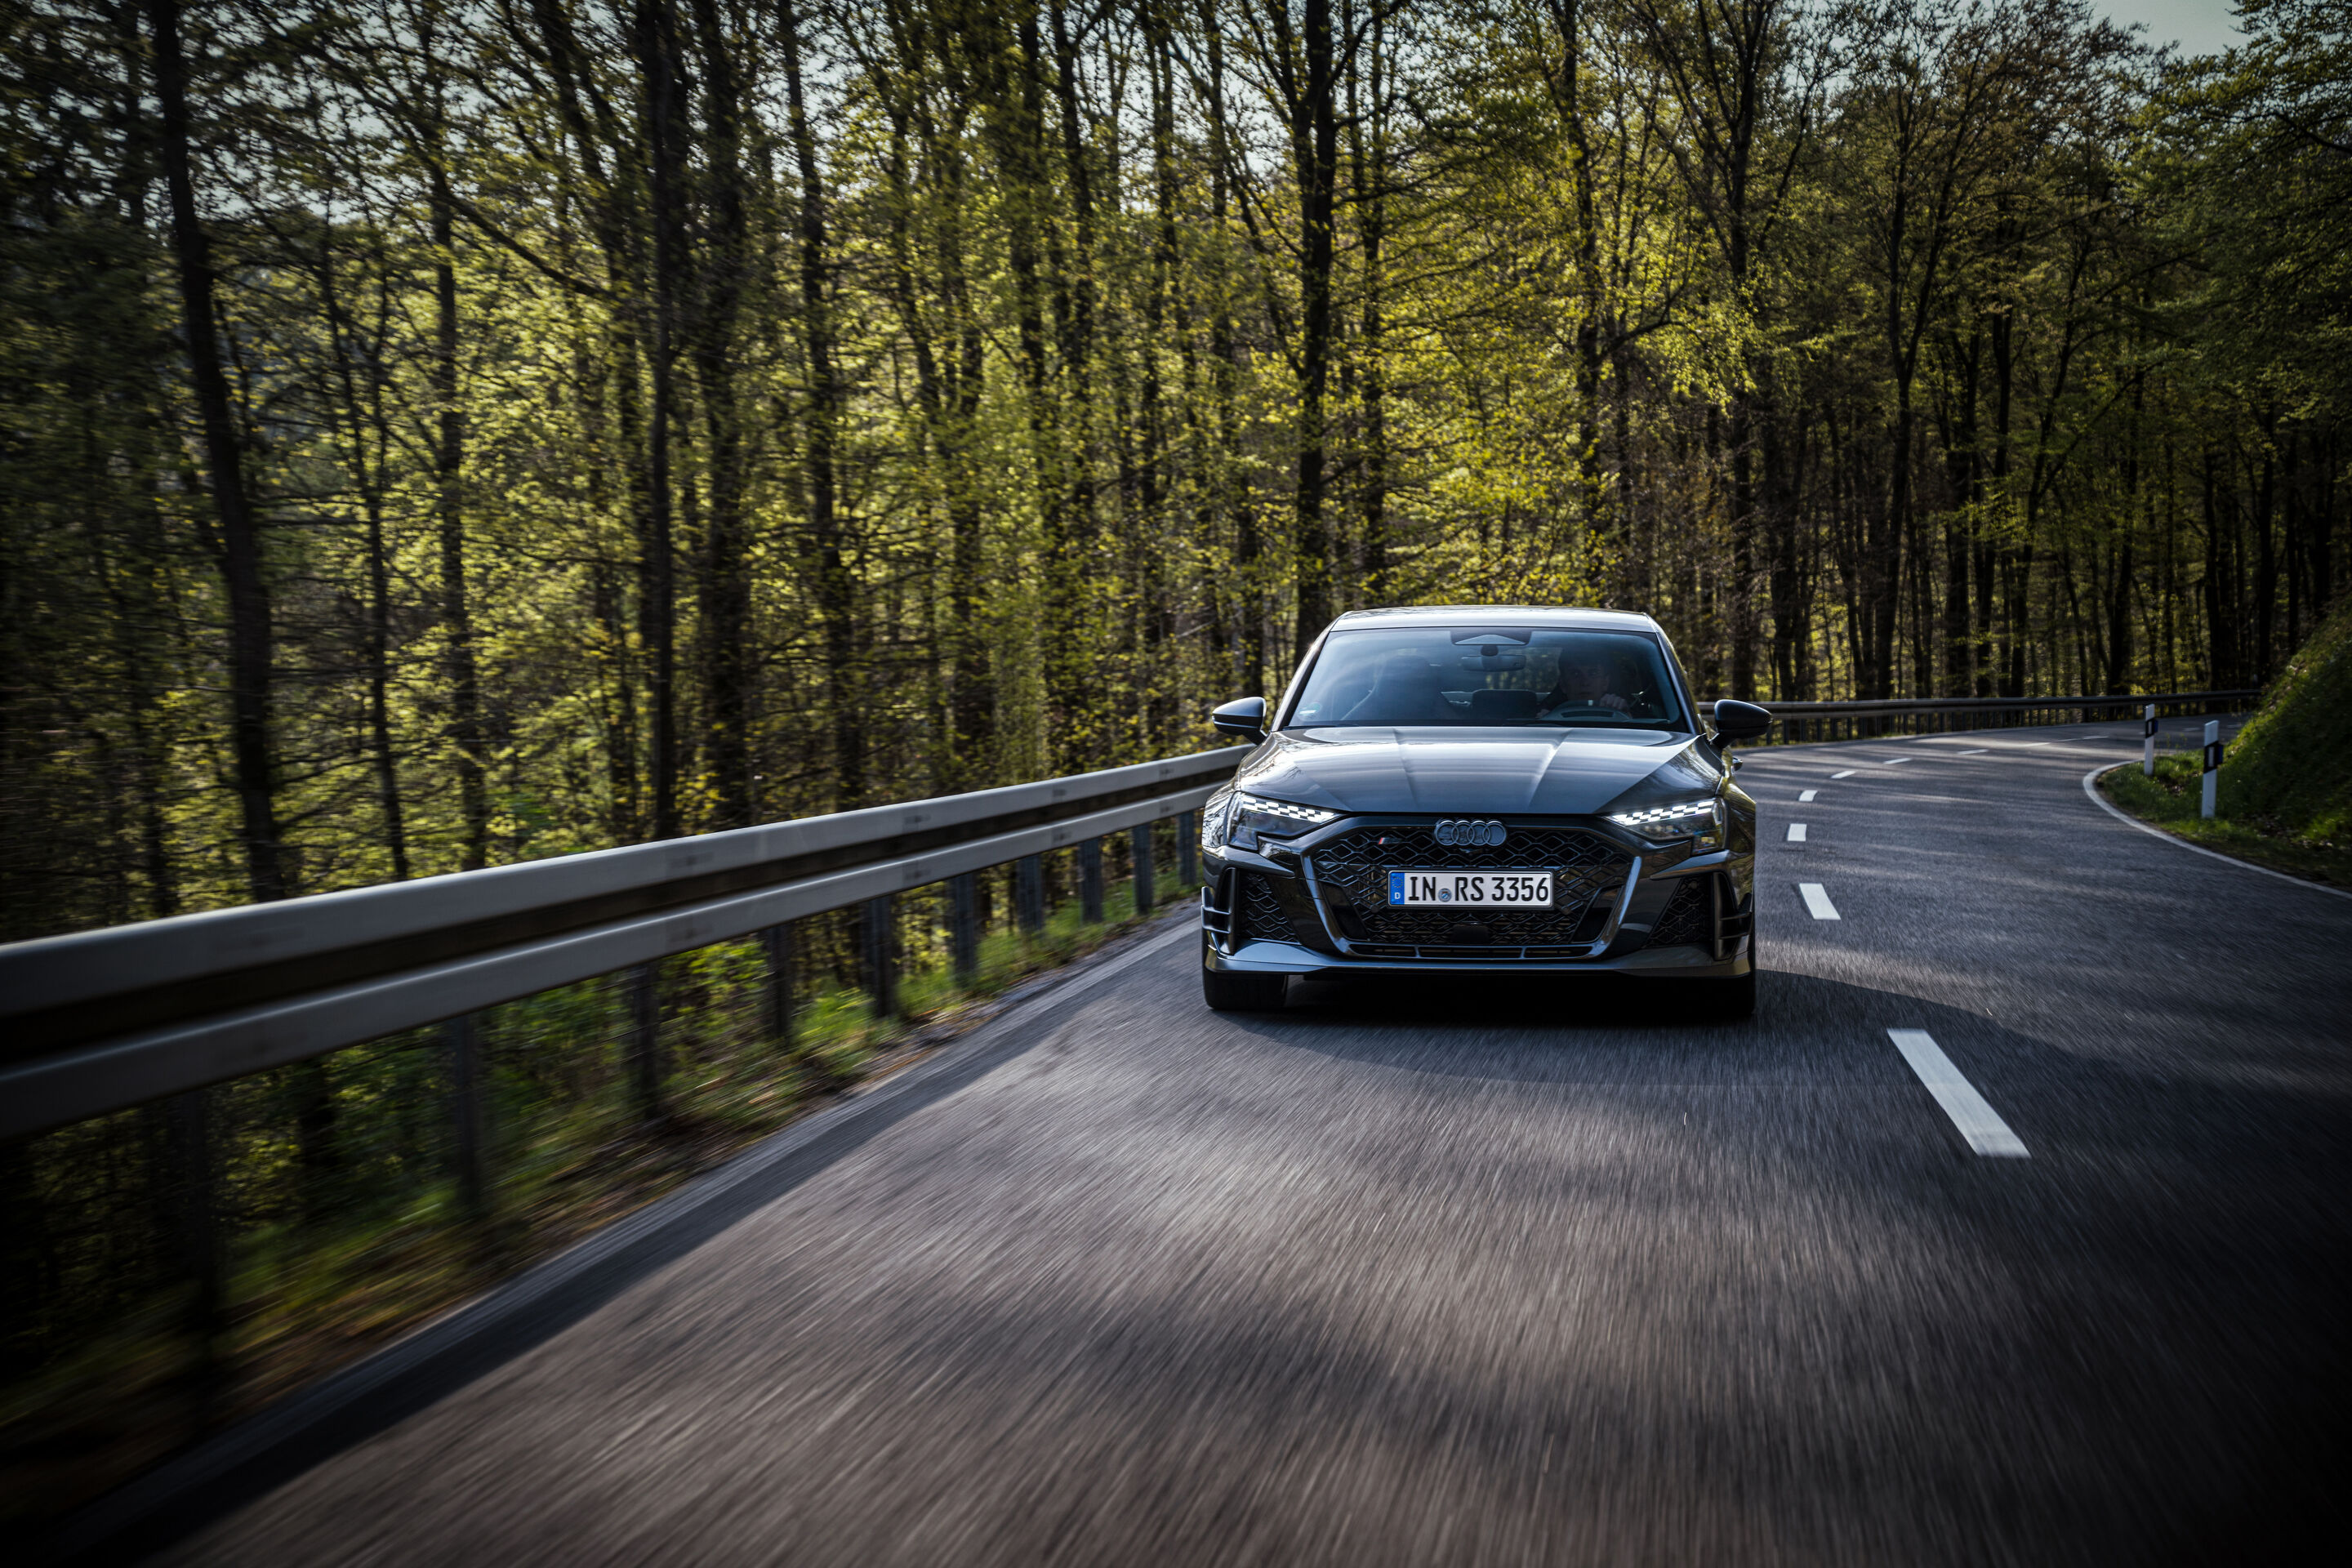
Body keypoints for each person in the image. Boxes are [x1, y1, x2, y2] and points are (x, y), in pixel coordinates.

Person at [1539, 648, 1631, 714]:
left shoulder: (1619, 709)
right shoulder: (1547, 717)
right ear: (1563, 684)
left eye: (1593, 673)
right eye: (1576, 674)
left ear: (1605, 682)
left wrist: (1624, 715)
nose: (1585, 682)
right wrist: (1543, 722)